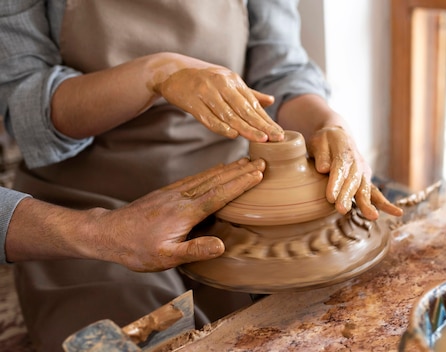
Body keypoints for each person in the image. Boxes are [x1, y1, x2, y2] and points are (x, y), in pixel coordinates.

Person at [0, 1, 402, 350]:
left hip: (231, 192)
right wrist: (156, 73)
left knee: (342, 315)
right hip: (87, 198)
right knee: (147, 335)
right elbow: (27, 111)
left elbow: (280, 74)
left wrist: (328, 124)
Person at [1, 158, 265, 269]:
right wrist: (101, 231)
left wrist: (308, 120)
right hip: (70, 200)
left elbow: (283, 73)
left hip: (214, 186)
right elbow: (29, 108)